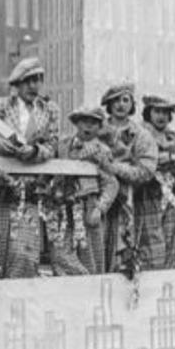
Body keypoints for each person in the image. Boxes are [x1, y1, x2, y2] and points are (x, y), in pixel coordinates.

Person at [0, 57, 62, 278]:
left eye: (38, 80)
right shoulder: (0, 106)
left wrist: (35, 152)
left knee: (25, 250)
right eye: (28, 81)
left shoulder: (49, 110)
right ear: (17, 84)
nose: (34, 86)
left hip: (30, 187)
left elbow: (53, 145)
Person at [100, 83, 158, 273]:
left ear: (132, 104)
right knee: (99, 242)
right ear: (108, 104)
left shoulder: (141, 134)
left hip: (130, 197)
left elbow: (147, 169)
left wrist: (116, 168)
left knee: (125, 244)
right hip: (98, 193)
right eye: (115, 100)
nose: (120, 105)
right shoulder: (98, 128)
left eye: (125, 100)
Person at [59, 106, 118, 275]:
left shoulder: (102, 150)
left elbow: (111, 183)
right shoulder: (63, 145)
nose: (88, 126)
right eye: (84, 121)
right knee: (61, 252)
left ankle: (92, 290)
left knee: (91, 254)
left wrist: (99, 208)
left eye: (94, 123)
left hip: (89, 206)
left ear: (99, 127)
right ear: (76, 123)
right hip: (64, 206)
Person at [138, 94, 175, 270]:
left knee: (170, 241)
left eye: (166, 113)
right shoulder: (141, 134)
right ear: (148, 113)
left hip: (170, 194)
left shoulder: (173, 137)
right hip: (149, 193)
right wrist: (170, 158)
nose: (161, 116)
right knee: (152, 246)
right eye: (157, 111)